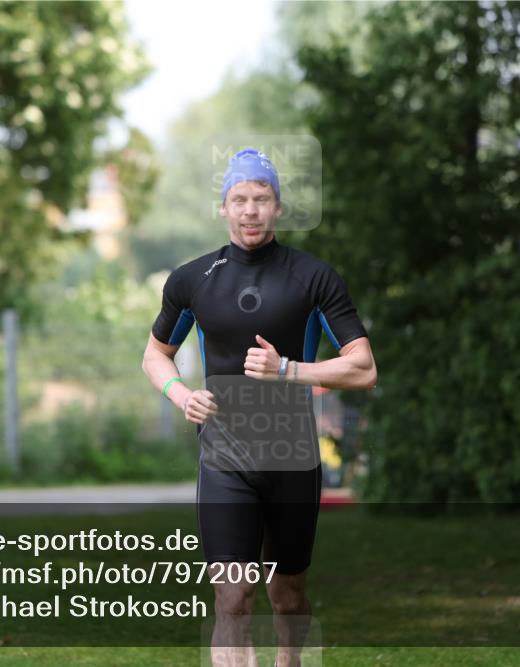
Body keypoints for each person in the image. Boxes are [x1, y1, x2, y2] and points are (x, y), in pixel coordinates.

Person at [142, 148, 376, 667]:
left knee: (286, 596)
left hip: (293, 460)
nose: (251, 210)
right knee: (233, 595)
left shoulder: (314, 278)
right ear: (223, 207)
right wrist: (181, 394)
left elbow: (363, 367)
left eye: (262, 199)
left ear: (278, 207)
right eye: (240, 199)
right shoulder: (192, 280)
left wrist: (288, 369)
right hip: (224, 458)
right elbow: (155, 355)